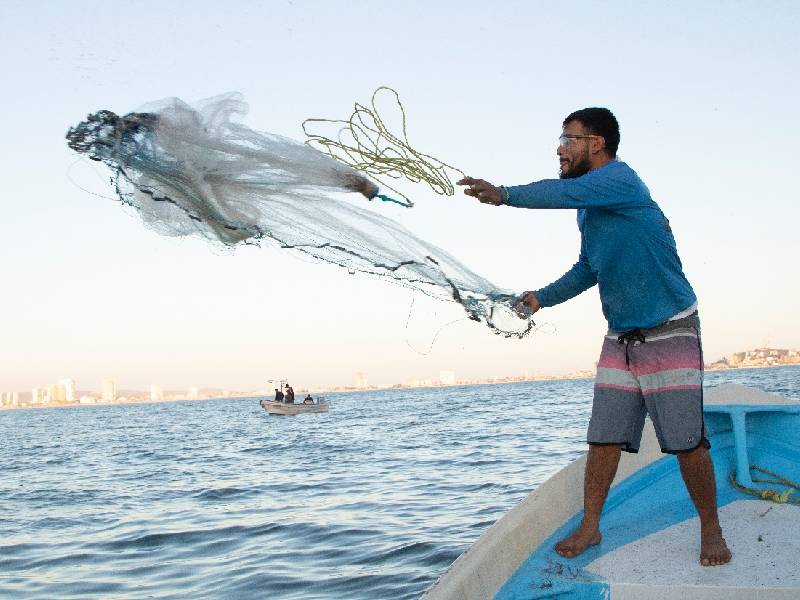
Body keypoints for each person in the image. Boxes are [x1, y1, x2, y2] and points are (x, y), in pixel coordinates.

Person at [457, 107, 731, 567]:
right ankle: (590, 526)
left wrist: (504, 194)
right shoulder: (589, 207)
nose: (559, 148)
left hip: (671, 326)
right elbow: (590, 266)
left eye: (568, 138)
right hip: (621, 336)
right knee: (603, 438)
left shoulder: (621, 182)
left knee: (686, 441)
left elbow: (559, 192)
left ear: (597, 143)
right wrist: (540, 298)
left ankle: (711, 528)